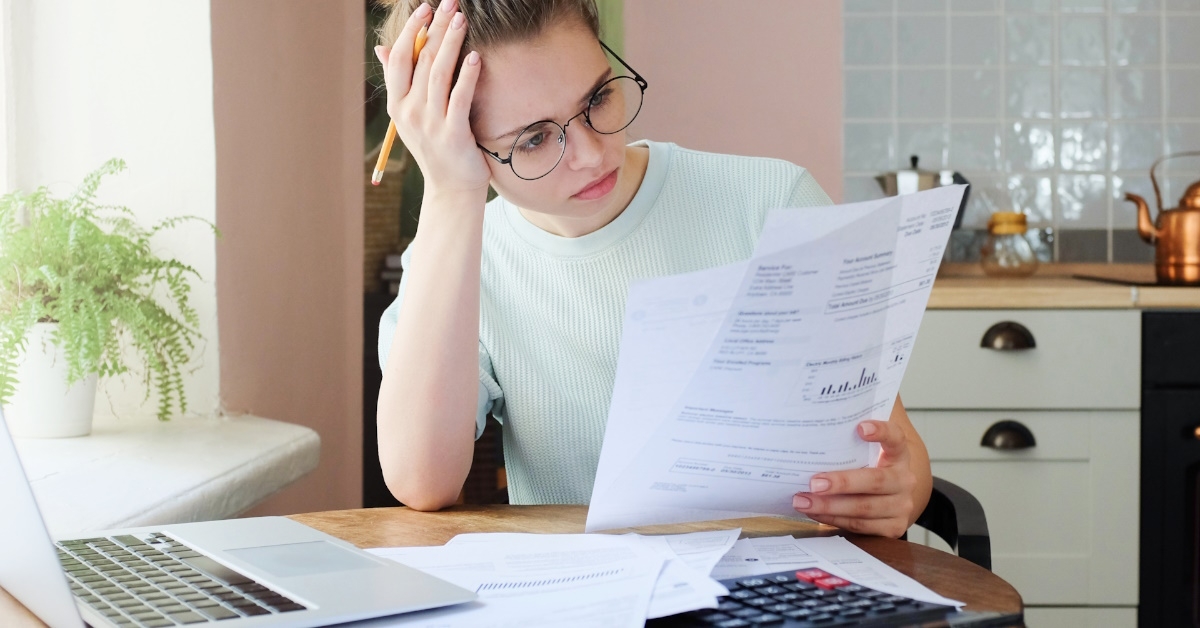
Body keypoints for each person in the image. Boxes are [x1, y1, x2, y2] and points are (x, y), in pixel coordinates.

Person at [373, 0, 931, 538]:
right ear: (458, 143)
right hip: (591, 596)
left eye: (597, 99)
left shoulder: (771, 202)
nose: (592, 154)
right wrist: (450, 191)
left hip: (782, 584)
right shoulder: (458, 261)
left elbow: (892, 448)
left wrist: (903, 488)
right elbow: (422, 482)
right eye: (535, 139)